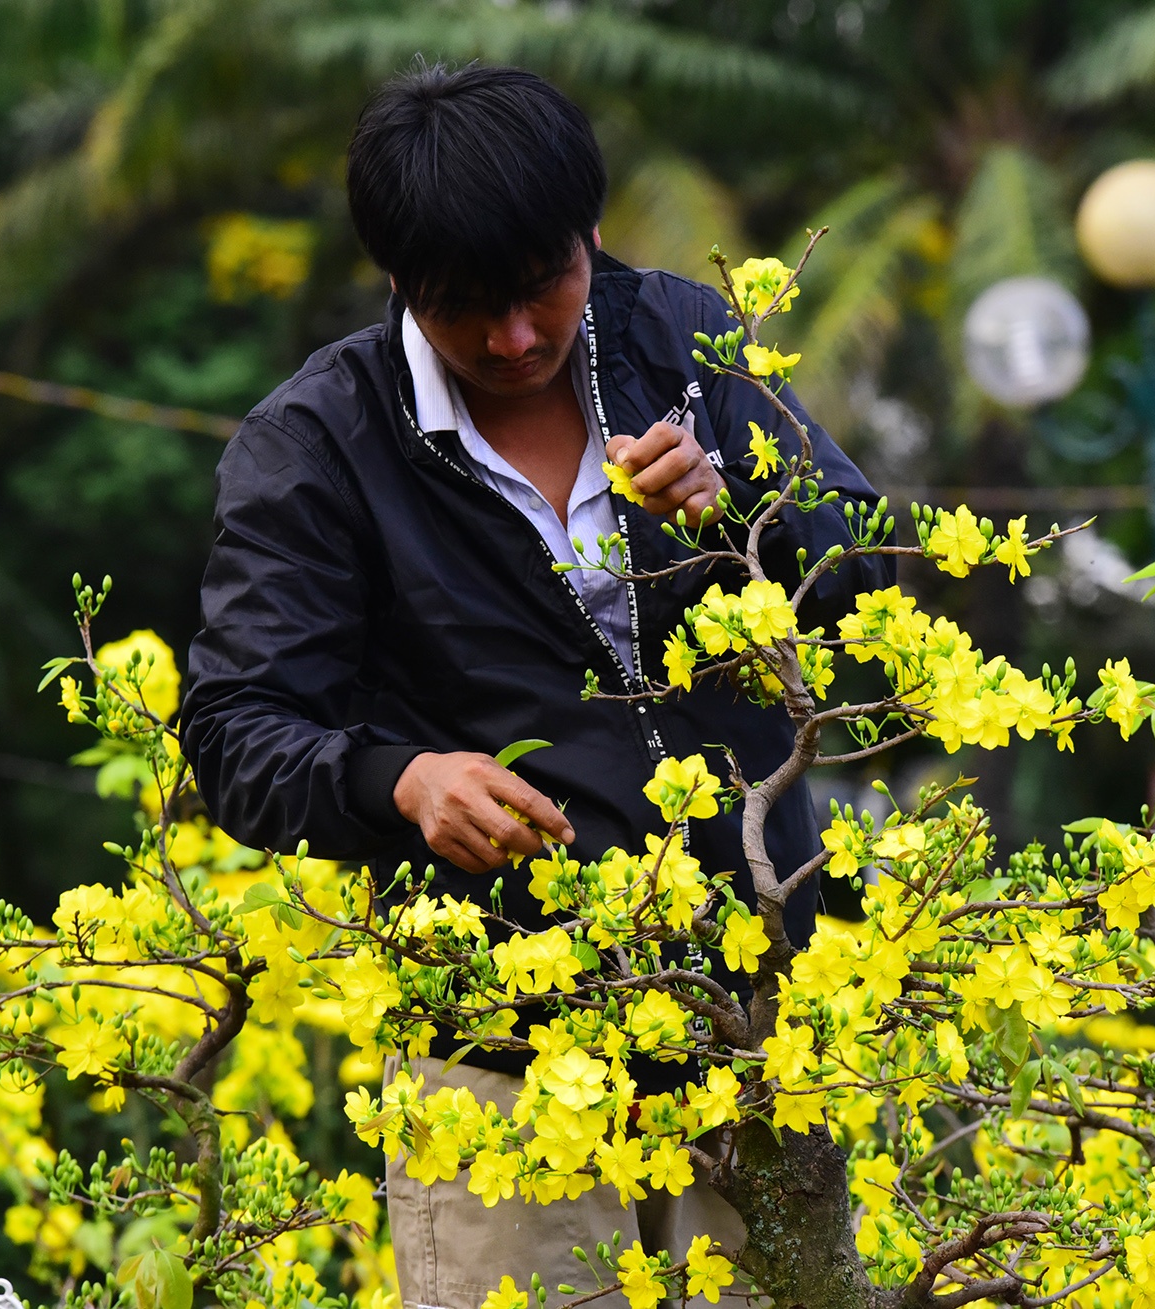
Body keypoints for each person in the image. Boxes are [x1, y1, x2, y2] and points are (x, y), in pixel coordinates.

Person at [180, 62, 894, 1309]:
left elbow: (872, 575)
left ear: (593, 234)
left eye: (541, 289)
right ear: (397, 281)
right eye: (466, 308)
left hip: (770, 1018)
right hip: (501, 1065)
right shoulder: (316, 446)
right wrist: (394, 778)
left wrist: (749, 519)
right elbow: (236, 732)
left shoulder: (680, 338)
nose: (514, 338)